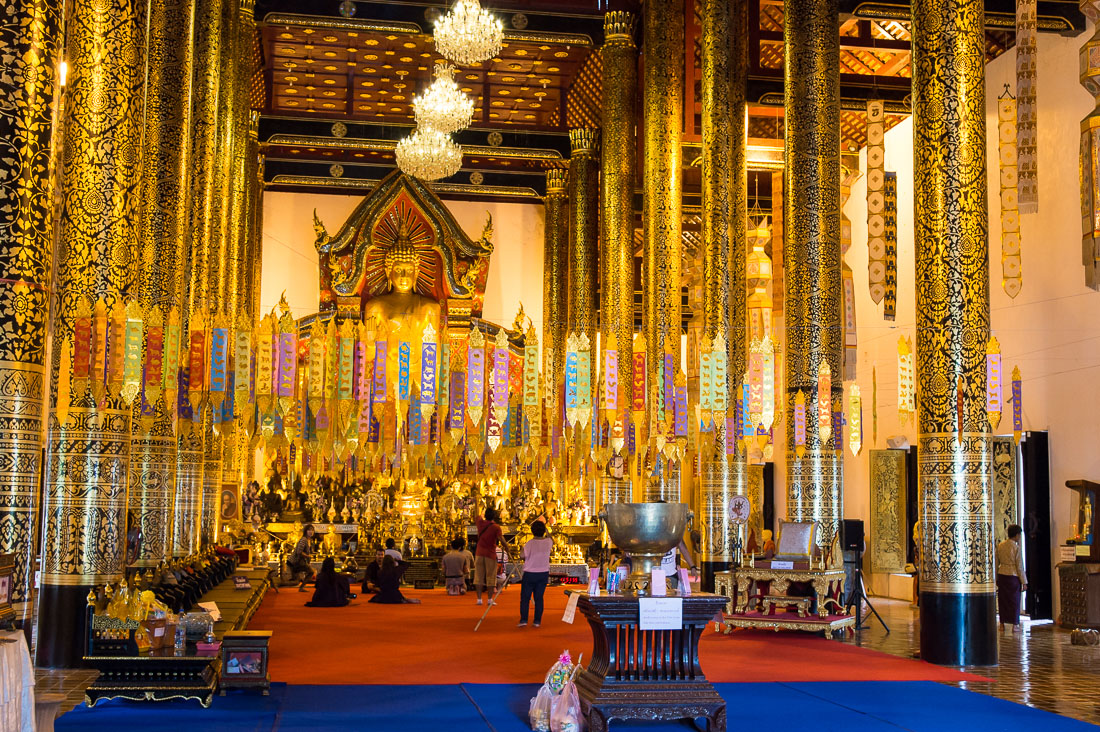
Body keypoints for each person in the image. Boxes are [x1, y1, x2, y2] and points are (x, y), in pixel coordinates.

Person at [518, 520, 553, 627]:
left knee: (525, 597)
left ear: (532, 531)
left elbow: (521, 556)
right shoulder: (548, 542)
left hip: (530, 573)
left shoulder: (529, 543)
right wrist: (547, 531)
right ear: (543, 531)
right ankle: (537, 621)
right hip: (543, 573)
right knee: (539, 597)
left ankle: (524, 620)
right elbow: (552, 539)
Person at [996, 524, 1027, 632]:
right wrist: (1024, 581)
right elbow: (1019, 566)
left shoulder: (1000, 545)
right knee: (1014, 600)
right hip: (1013, 576)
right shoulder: (1016, 547)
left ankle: (1002, 624)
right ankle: (1015, 625)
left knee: (1003, 600)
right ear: (1017, 535)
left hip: (1002, 574)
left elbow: (996, 562)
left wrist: (996, 577)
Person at [474, 508, 505, 605]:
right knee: (490, 576)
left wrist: (477, 502)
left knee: (478, 576)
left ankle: (479, 599)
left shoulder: (480, 523)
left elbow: (476, 513)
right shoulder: (496, 527)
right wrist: (507, 547)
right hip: (490, 554)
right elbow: (501, 539)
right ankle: (489, 599)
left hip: (479, 553)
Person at [289, 524, 316, 591]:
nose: (311, 532)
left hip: (300, 562)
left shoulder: (309, 540)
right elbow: (299, 552)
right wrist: (308, 556)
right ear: (305, 531)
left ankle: (301, 586)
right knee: (311, 572)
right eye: (309, 530)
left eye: (312, 530)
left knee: (310, 572)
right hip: (295, 562)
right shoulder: (304, 539)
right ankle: (301, 587)